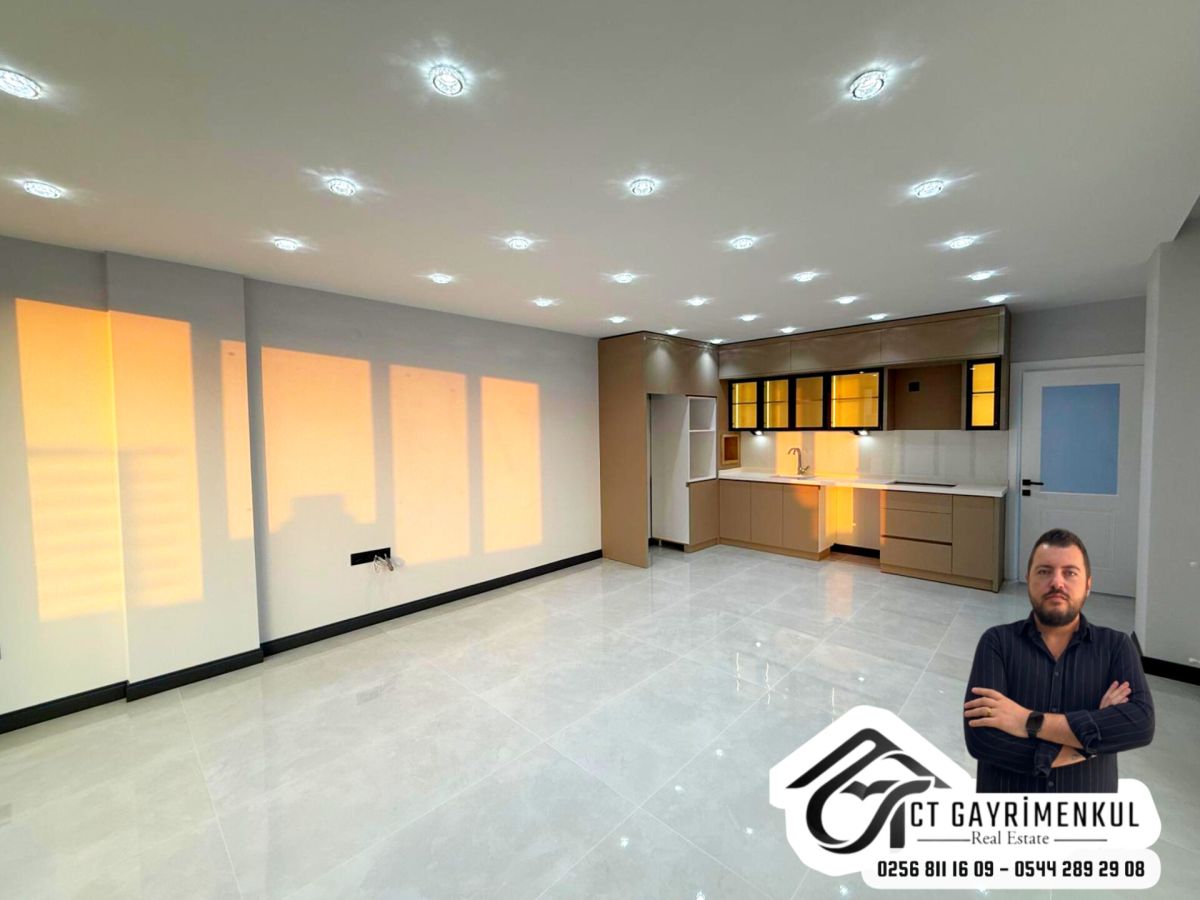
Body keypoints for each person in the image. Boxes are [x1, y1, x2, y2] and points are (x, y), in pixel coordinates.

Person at [962, 528, 1155, 792]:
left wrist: (1027, 721)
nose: (1057, 583)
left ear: (1088, 585)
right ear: (1028, 579)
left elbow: (1140, 724)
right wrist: (1088, 745)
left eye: (1070, 573)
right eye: (1044, 571)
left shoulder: (1116, 647)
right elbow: (982, 740)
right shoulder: (997, 642)